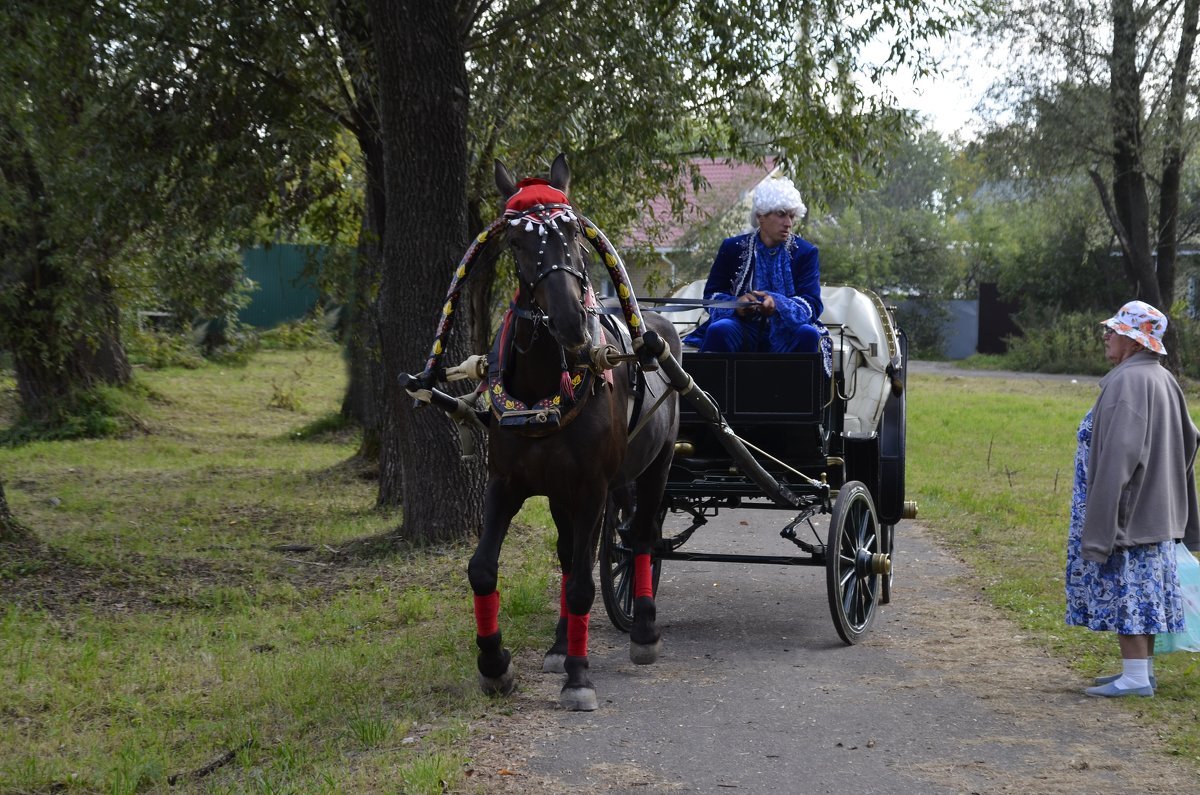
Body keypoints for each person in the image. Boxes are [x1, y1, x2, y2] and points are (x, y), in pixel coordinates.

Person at [1064, 300, 1200, 697]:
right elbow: (1190, 438)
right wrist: (1167, 486)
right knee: (1144, 590)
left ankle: (1136, 679)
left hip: (1128, 512)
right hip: (1152, 511)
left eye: (1114, 331)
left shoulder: (1128, 382)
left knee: (1129, 590)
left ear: (1135, 342)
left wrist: (1111, 517)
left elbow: (1121, 457)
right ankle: (1141, 670)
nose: (1107, 335)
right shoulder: (1162, 378)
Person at [684, 176, 823, 354]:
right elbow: (712, 294)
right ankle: (712, 383)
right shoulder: (731, 247)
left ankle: (797, 383)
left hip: (787, 329)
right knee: (719, 330)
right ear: (760, 216)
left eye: (791, 216)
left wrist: (777, 304)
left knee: (808, 334)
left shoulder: (805, 252)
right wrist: (738, 305)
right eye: (781, 214)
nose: (788, 223)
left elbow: (812, 303)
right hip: (741, 325)